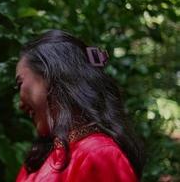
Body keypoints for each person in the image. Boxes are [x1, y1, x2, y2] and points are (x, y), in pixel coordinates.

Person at [15, 30, 144, 182]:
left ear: (50, 75)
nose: (20, 105)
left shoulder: (99, 154)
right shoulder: (40, 159)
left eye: (19, 84)